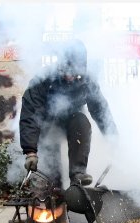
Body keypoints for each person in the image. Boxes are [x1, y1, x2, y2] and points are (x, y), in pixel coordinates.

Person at [19, 39, 117, 187]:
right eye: (67, 71)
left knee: (81, 121)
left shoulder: (87, 82)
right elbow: (30, 115)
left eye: (75, 73)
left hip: (72, 123)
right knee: (52, 173)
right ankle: (54, 189)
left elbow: (100, 110)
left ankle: (77, 174)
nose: (70, 76)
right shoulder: (43, 80)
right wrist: (30, 151)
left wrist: (113, 139)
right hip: (46, 125)